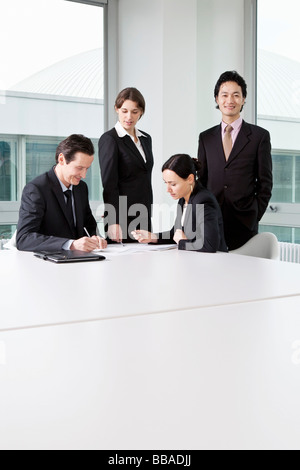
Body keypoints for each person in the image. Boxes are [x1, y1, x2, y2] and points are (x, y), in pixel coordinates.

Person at [198, 71, 273, 250]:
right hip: (211, 220)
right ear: (217, 99)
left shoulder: (259, 136)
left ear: (243, 99)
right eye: (224, 95)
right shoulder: (206, 137)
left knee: (244, 274)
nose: (229, 100)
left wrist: (255, 214)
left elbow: (265, 183)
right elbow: (201, 180)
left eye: (236, 95)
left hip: (245, 223)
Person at [17, 134, 107, 253]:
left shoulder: (81, 187)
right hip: (49, 263)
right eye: (79, 168)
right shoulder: (37, 189)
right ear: (61, 159)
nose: (84, 175)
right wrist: (71, 244)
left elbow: (88, 225)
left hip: (81, 261)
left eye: (87, 169)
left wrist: (95, 238)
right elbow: (24, 238)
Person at [132, 154, 228, 253]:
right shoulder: (183, 198)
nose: (168, 190)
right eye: (166, 183)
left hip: (214, 263)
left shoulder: (203, 200)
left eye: (173, 184)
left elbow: (209, 245)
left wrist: (182, 242)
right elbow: (176, 233)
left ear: (190, 179)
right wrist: (152, 237)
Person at [98, 87, 154, 243]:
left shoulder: (146, 139)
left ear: (141, 112)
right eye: (124, 111)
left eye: (134, 112)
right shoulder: (110, 139)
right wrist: (113, 220)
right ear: (116, 109)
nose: (129, 117)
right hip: (121, 217)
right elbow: (109, 184)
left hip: (143, 213)